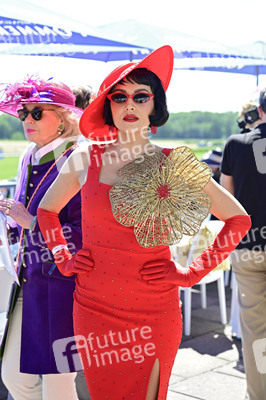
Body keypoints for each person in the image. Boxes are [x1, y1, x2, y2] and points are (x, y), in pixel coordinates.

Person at [37, 46, 251, 400]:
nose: (130, 105)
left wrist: (193, 272)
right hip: (94, 306)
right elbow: (46, 211)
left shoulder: (173, 163)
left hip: (154, 309)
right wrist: (63, 256)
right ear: (108, 105)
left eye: (141, 96)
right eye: (119, 97)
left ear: (155, 104)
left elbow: (238, 219)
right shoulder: (84, 158)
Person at [0, 75, 85, 400]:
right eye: (24, 113)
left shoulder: (79, 158)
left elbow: (85, 232)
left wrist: (33, 222)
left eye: (38, 113)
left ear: (63, 119)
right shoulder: (28, 158)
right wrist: (11, 230)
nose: (27, 120)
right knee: (15, 377)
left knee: (58, 385)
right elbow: (22, 220)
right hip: (27, 281)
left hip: (63, 287)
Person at [221, 90, 266, 400]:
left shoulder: (236, 144)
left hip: (248, 246)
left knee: (255, 333)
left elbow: (227, 201)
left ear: (260, 111)